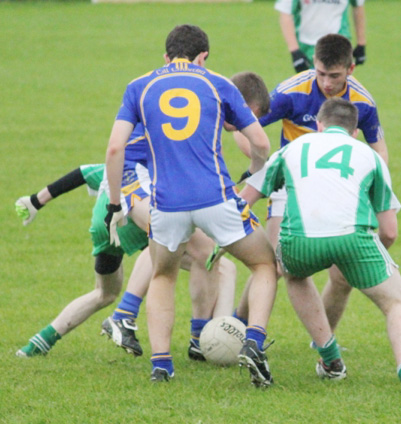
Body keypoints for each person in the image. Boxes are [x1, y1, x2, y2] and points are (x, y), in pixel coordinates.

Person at [105, 24, 278, 386]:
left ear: (166, 57)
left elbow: (115, 149)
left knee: (162, 275)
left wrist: (115, 203)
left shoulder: (139, 86)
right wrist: (254, 172)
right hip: (216, 198)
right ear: (204, 57)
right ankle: (255, 343)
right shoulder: (218, 82)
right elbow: (261, 143)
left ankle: (161, 364)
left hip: (165, 205)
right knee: (264, 264)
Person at [244, 97, 401, 395]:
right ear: (355, 132)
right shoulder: (369, 155)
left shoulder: (292, 148)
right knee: (396, 303)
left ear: (318, 126)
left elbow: (248, 197)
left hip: (299, 242)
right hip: (353, 239)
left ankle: (331, 360)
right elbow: (390, 231)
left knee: (293, 275)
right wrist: (362, 259)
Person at [15, 127, 236, 359]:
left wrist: (35, 202)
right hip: (127, 215)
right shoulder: (161, 165)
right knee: (179, 243)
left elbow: (81, 173)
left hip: (103, 225)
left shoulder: (122, 162)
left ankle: (36, 345)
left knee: (104, 293)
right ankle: (190, 334)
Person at [233, 33, 388, 339]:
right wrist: (266, 166)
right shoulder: (292, 93)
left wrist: (372, 192)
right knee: (274, 263)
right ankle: (235, 325)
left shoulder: (364, 103)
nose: (327, 83)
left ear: (350, 69)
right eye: (320, 74)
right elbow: (243, 126)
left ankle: (323, 348)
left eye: (335, 76)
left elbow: (379, 151)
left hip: (339, 189)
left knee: (342, 278)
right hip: (288, 186)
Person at [275, 0, 367, 73]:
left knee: (336, 83)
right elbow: (285, 13)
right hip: (308, 45)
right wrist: (294, 50)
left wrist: (361, 43)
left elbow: (358, 6)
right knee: (313, 88)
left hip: (339, 41)